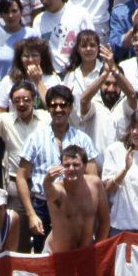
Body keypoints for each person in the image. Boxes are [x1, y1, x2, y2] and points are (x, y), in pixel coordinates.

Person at [17, 85, 99, 252]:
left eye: (63, 105)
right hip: (42, 205)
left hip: (74, 204)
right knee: (43, 257)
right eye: (53, 105)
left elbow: (92, 177)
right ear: (48, 108)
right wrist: (31, 214)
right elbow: (21, 177)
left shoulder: (83, 139)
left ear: (70, 107)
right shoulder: (35, 138)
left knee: (73, 253)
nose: (58, 109)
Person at [0, 79, 50, 251]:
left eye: (26, 100)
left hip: (43, 183)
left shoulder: (45, 118)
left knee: (45, 232)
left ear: (34, 99)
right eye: (17, 101)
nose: (22, 104)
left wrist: (39, 82)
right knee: (19, 233)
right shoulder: (6, 120)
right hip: (16, 184)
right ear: (12, 102)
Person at [42, 145, 110, 253]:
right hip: (57, 255)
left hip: (85, 254)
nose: (71, 169)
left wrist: (98, 250)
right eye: (66, 165)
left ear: (85, 166)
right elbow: (49, 193)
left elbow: (105, 221)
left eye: (76, 165)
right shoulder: (59, 190)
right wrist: (46, 181)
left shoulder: (95, 185)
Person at [32, 0, 95, 73]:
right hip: (51, 75)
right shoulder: (38, 21)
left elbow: (92, 45)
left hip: (78, 73)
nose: (44, 1)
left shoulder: (80, 14)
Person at [0, 37, 61, 112]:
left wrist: (38, 81)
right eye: (26, 56)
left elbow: (53, 108)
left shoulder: (53, 79)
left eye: (34, 55)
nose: (30, 60)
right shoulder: (8, 80)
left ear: (42, 58)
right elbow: (0, 111)